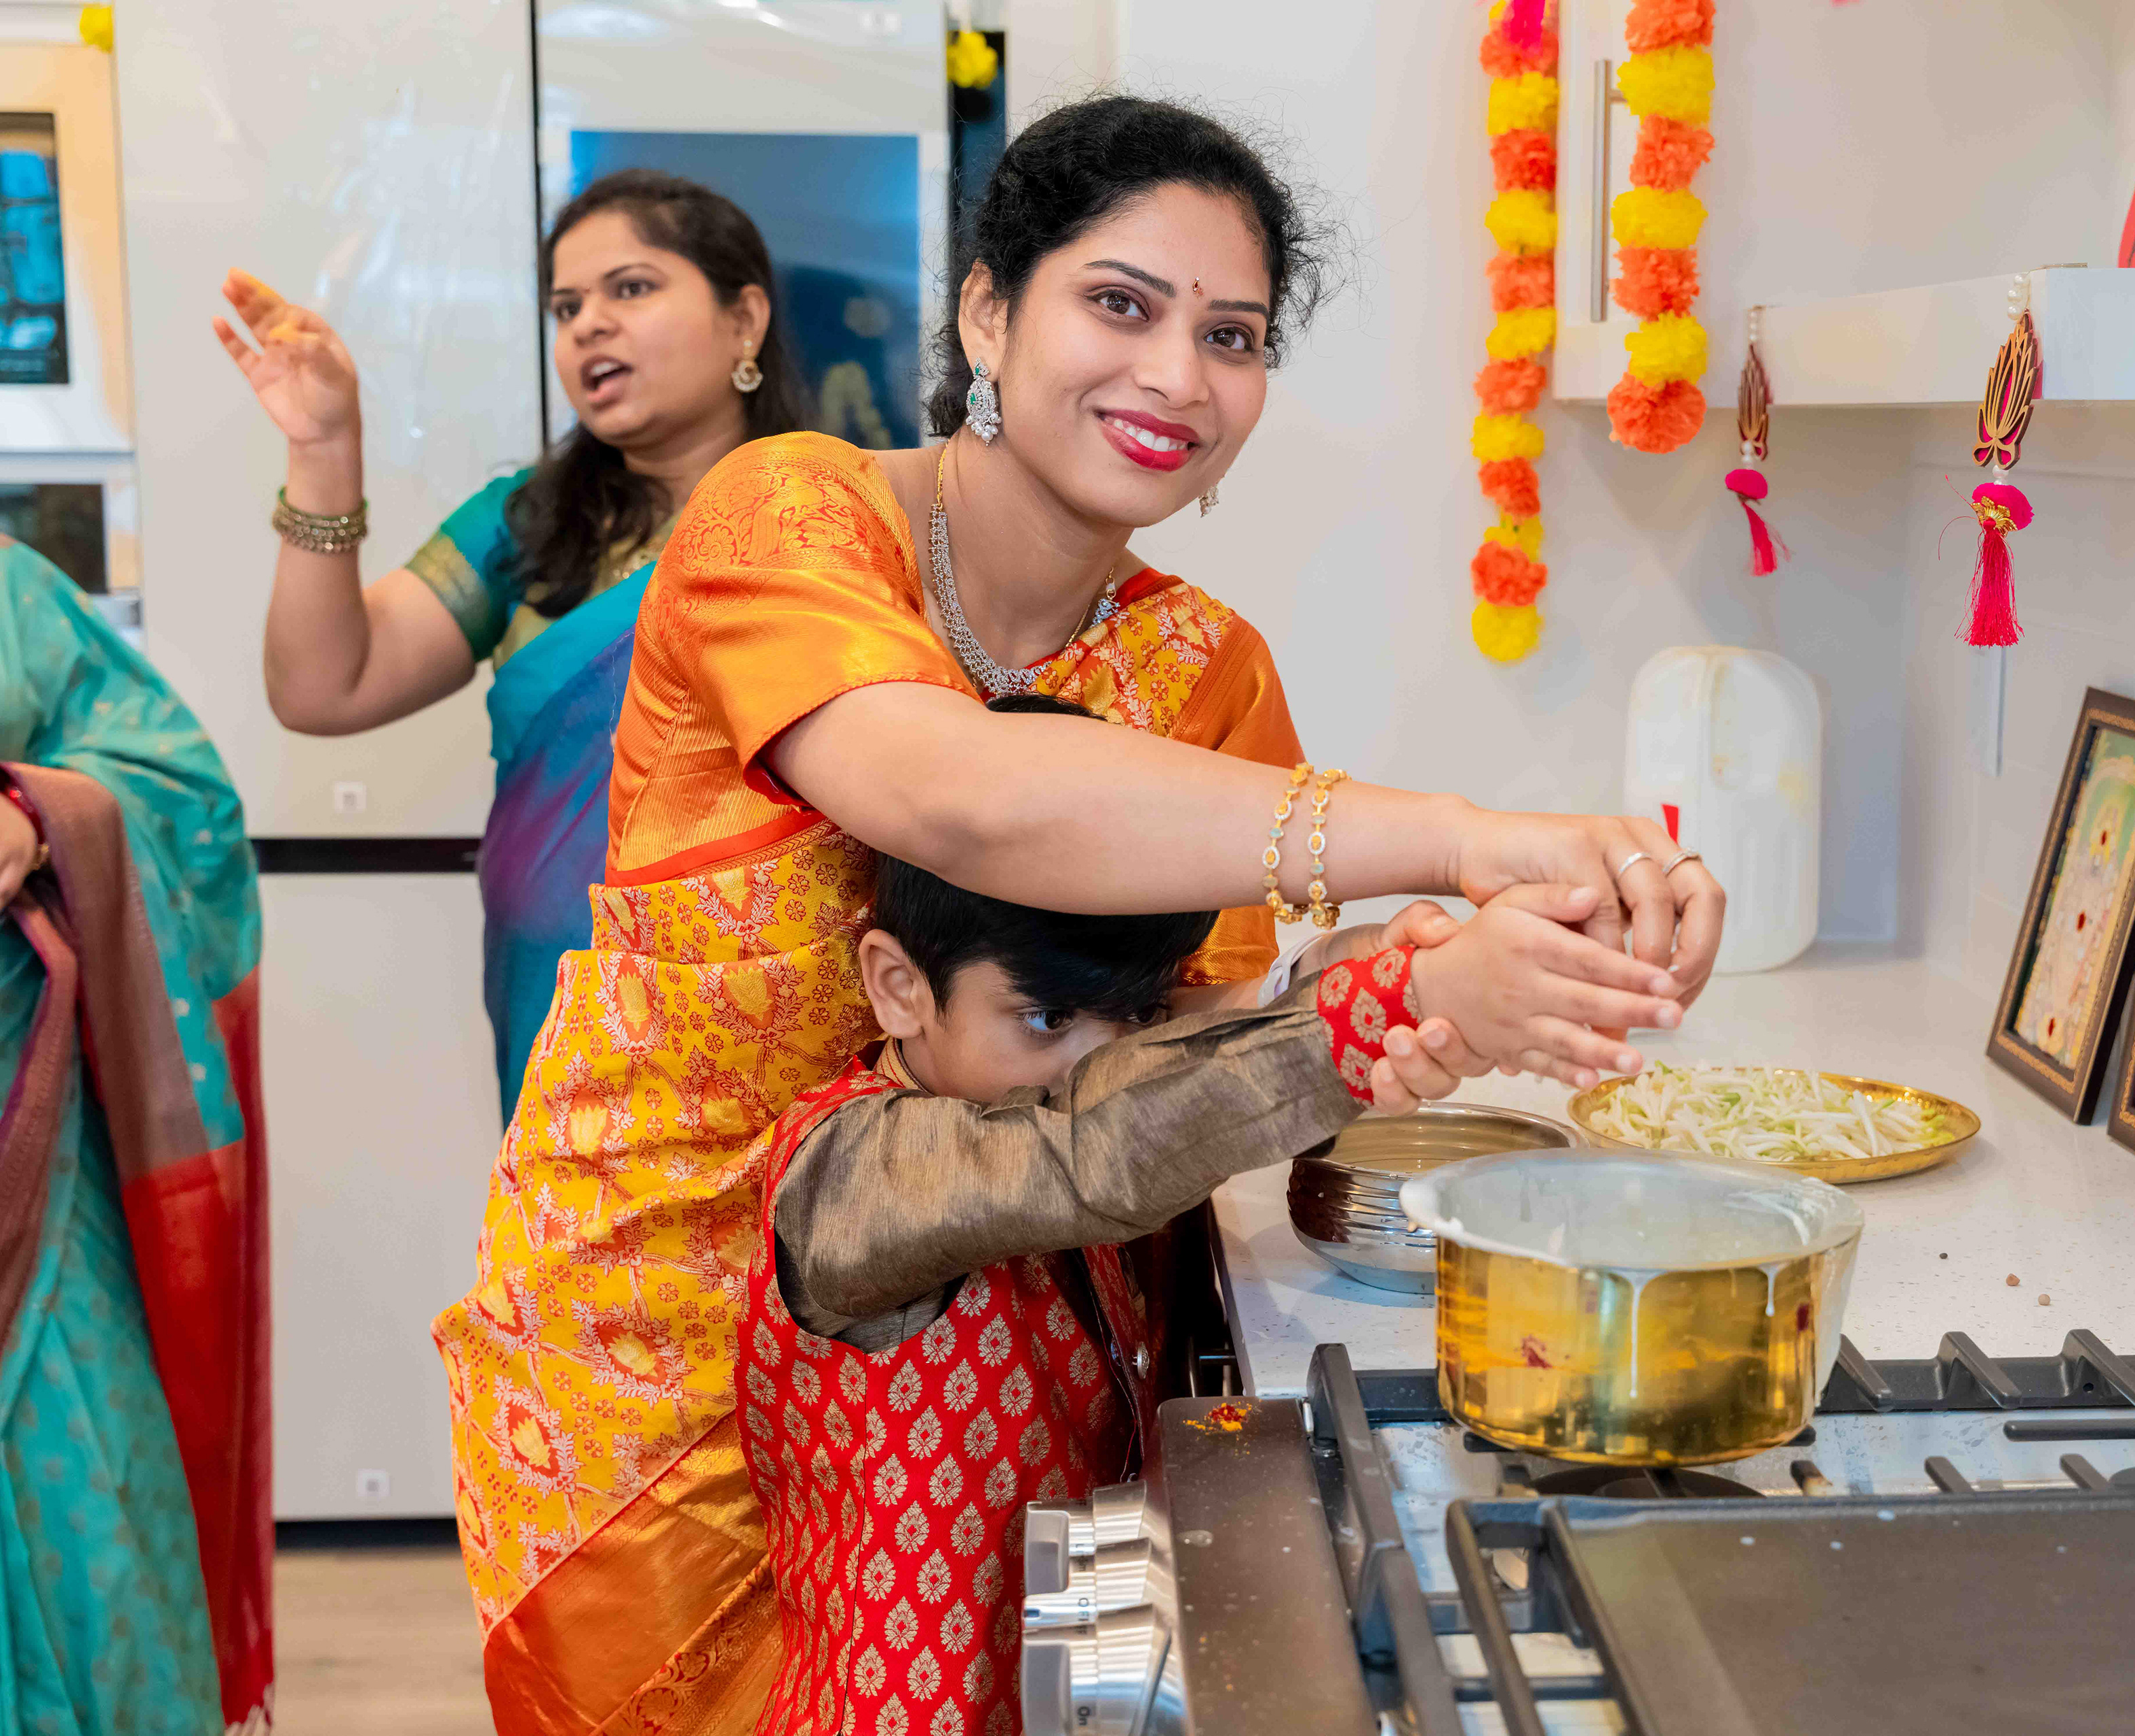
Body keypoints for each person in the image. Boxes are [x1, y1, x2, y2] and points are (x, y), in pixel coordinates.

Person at [435, 96, 1721, 1733]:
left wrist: (1426, 975)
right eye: (1122, 303)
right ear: (988, 312)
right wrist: (1461, 837)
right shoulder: (790, 518)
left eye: (1231, 334)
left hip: (991, 1374)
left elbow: (1179, 1045)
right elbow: (961, 794)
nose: (1178, 374)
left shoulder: (1206, 669)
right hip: (667, 1365)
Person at [741, 721, 1651, 1733]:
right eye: (1048, 1020)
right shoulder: (843, 1178)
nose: (1096, 1059)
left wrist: (1338, 972)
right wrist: (1397, 1002)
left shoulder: (1053, 1063)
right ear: (898, 986)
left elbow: (1157, 1061)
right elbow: (1096, 1142)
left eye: (1131, 1015)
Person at [215, 170, 809, 1118]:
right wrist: (324, 453)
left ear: (744, 320)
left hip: (763, 1011)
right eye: (567, 308)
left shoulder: (826, 517)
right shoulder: (524, 526)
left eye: (631, 288)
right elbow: (325, 686)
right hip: (554, 1002)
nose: (589, 325)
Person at [0, 539, 271, 1735]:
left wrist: (42, 816)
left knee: (95, 1541)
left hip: (33, 1142)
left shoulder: (11, 592)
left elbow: (182, 791)